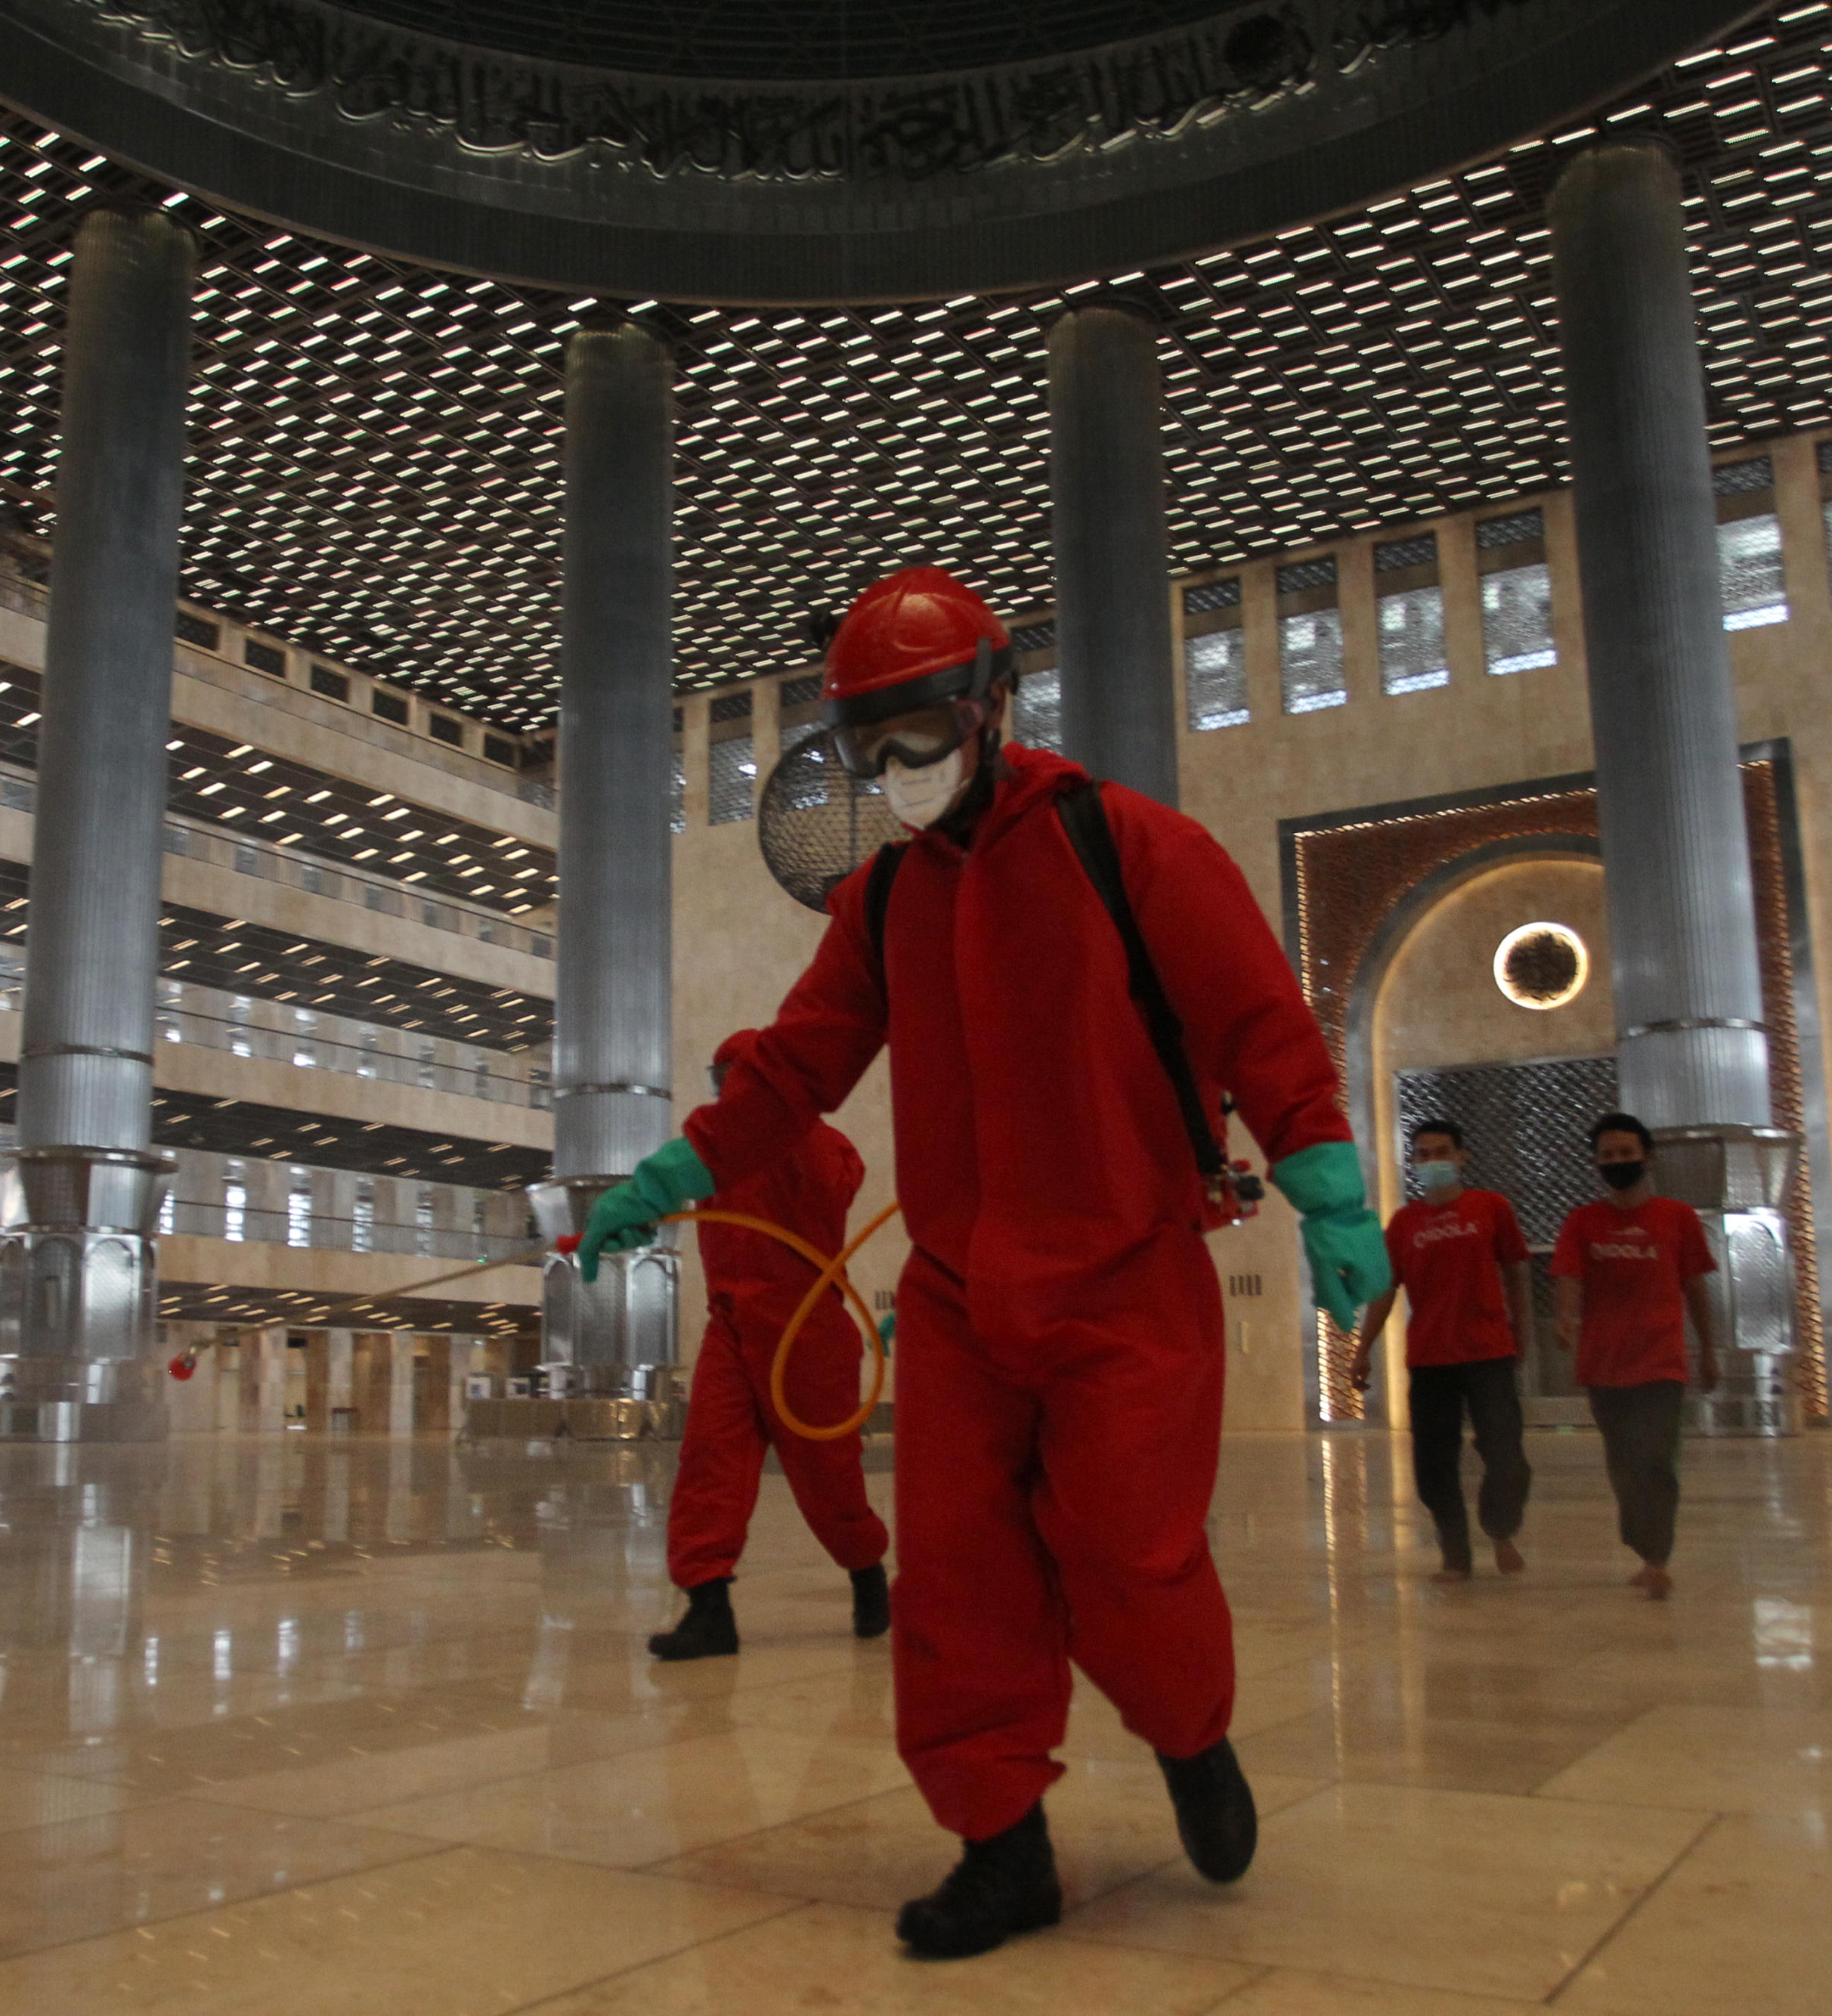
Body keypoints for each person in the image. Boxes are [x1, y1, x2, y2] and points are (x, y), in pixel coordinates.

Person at [580, 565, 1389, 1960]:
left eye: (921, 729)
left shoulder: (1129, 848)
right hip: (958, 1297)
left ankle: (1191, 1734)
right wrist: (669, 1174)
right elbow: (795, 1067)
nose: (898, 768)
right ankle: (1000, 1844)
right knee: (956, 1582)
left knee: (1129, 1557)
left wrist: (1328, 1186)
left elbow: (1259, 1021)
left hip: (1127, 1278)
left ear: (994, 704)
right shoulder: (885, 904)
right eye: (867, 743)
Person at [645, 1030, 890, 1662]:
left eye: (730, 1080)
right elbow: (684, 1175)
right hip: (730, 1324)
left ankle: (867, 1571)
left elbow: (834, 1186)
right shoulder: (717, 1143)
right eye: (718, 1081)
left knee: (828, 1476)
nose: (723, 1094)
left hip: (805, 1331)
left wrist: (782, 1123)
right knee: (710, 1461)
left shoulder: (818, 1143)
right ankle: (708, 1607)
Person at [1552, 1112, 1720, 1600]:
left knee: (1655, 1458)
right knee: (1624, 1466)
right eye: (1608, 1155)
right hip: (1604, 1365)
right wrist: (1565, 1317)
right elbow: (1568, 1276)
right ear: (1596, 1163)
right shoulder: (1583, 1221)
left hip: (1661, 1361)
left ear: (1647, 1157)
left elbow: (1696, 1287)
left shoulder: (1678, 1218)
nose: (1618, 1162)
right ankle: (1642, 1541)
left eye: (1626, 1153)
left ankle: (1656, 1558)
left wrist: (1708, 1349)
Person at [1357, 1119, 1533, 1584]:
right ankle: (1455, 1553)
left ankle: (1499, 1528)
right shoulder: (1404, 1224)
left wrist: (1524, 1333)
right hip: (1431, 1359)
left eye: (1443, 1152)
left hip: (1489, 1352)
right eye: (1424, 1154)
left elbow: (1517, 1273)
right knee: (1433, 1464)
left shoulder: (1492, 1208)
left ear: (1462, 1157)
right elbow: (1385, 1289)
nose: (1434, 1161)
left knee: (1506, 1453)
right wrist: (1362, 1350)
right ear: (1414, 1162)